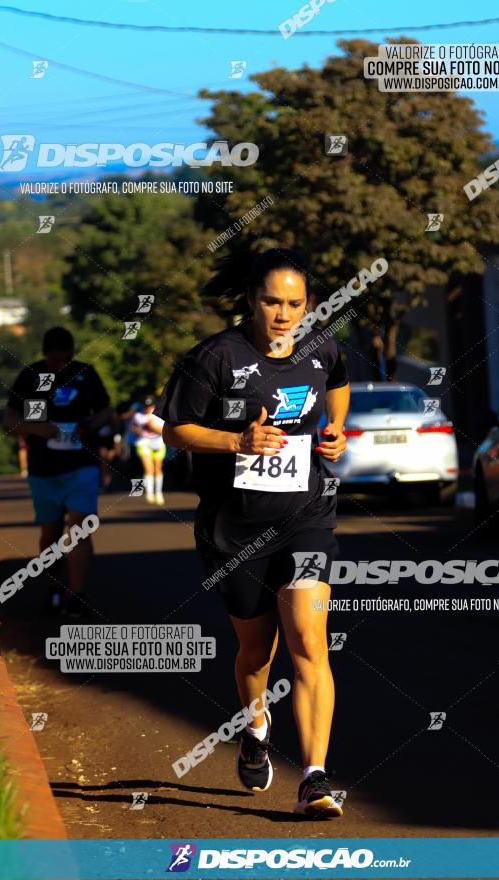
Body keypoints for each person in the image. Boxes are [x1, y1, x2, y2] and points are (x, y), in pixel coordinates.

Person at [155, 249, 350, 817]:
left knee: (309, 643)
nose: (284, 315)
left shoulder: (321, 346)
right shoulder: (216, 356)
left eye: (295, 303)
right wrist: (236, 442)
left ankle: (314, 776)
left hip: (306, 517)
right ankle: (256, 726)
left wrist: (335, 430)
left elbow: (336, 382)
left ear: (308, 305)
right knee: (255, 651)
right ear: (250, 299)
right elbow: (176, 430)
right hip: (233, 527)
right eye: (272, 301)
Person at [3, 326, 111, 616]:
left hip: (82, 466)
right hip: (44, 468)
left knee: (79, 530)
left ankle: (77, 596)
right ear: (45, 354)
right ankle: (53, 589)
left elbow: (105, 410)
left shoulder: (86, 374)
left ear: (73, 355)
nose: (59, 366)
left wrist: (91, 426)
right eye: (54, 360)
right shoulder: (30, 375)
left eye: (65, 360)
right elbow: (10, 418)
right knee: (50, 533)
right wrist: (38, 429)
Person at [130, 397, 166, 505]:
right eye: (146, 407)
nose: (148, 409)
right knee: (148, 468)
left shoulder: (160, 416)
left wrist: (153, 427)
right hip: (144, 443)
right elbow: (133, 427)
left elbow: (163, 432)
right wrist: (141, 431)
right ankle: (150, 494)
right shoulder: (138, 416)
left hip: (159, 444)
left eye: (150, 406)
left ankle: (158, 493)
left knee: (158, 468)